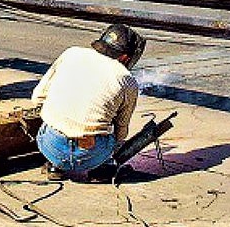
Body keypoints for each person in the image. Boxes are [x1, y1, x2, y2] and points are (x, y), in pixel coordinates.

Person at [31, 23, 146, 181]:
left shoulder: (71, 53)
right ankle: (103, 167)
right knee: (112, 127)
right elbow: (121, 132)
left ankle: (55, 166)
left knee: (52, 119)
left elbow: (37, 98)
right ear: (125, 57)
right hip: (91, 154)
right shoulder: (126, 79)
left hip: (50, 147)